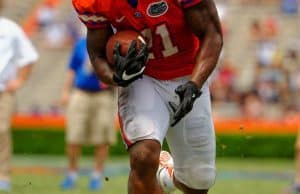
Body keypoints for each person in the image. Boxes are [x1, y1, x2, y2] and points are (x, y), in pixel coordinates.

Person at [72, 0, 223, 194]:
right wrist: (117, 77)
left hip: (188, 73)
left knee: (198, 182)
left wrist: (195, 84)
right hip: (144, 78)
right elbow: (97, 53)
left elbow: (213, 34)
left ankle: (167, 176)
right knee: (143, 156)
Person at [59, 35, 116, 191]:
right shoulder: (80, 44)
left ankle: (97, 176)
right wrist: (65, 91)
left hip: (104, 95)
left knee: (102, 138)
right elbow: (72, 69)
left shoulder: (111, 43)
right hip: (80, 92)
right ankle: (71, 174)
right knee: (73, 136)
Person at [0, 0, 38, 191]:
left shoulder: (10, 29)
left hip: (3, 91)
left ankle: (3, 176)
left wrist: (19, 81)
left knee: (1, 132)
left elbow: (29, 56)